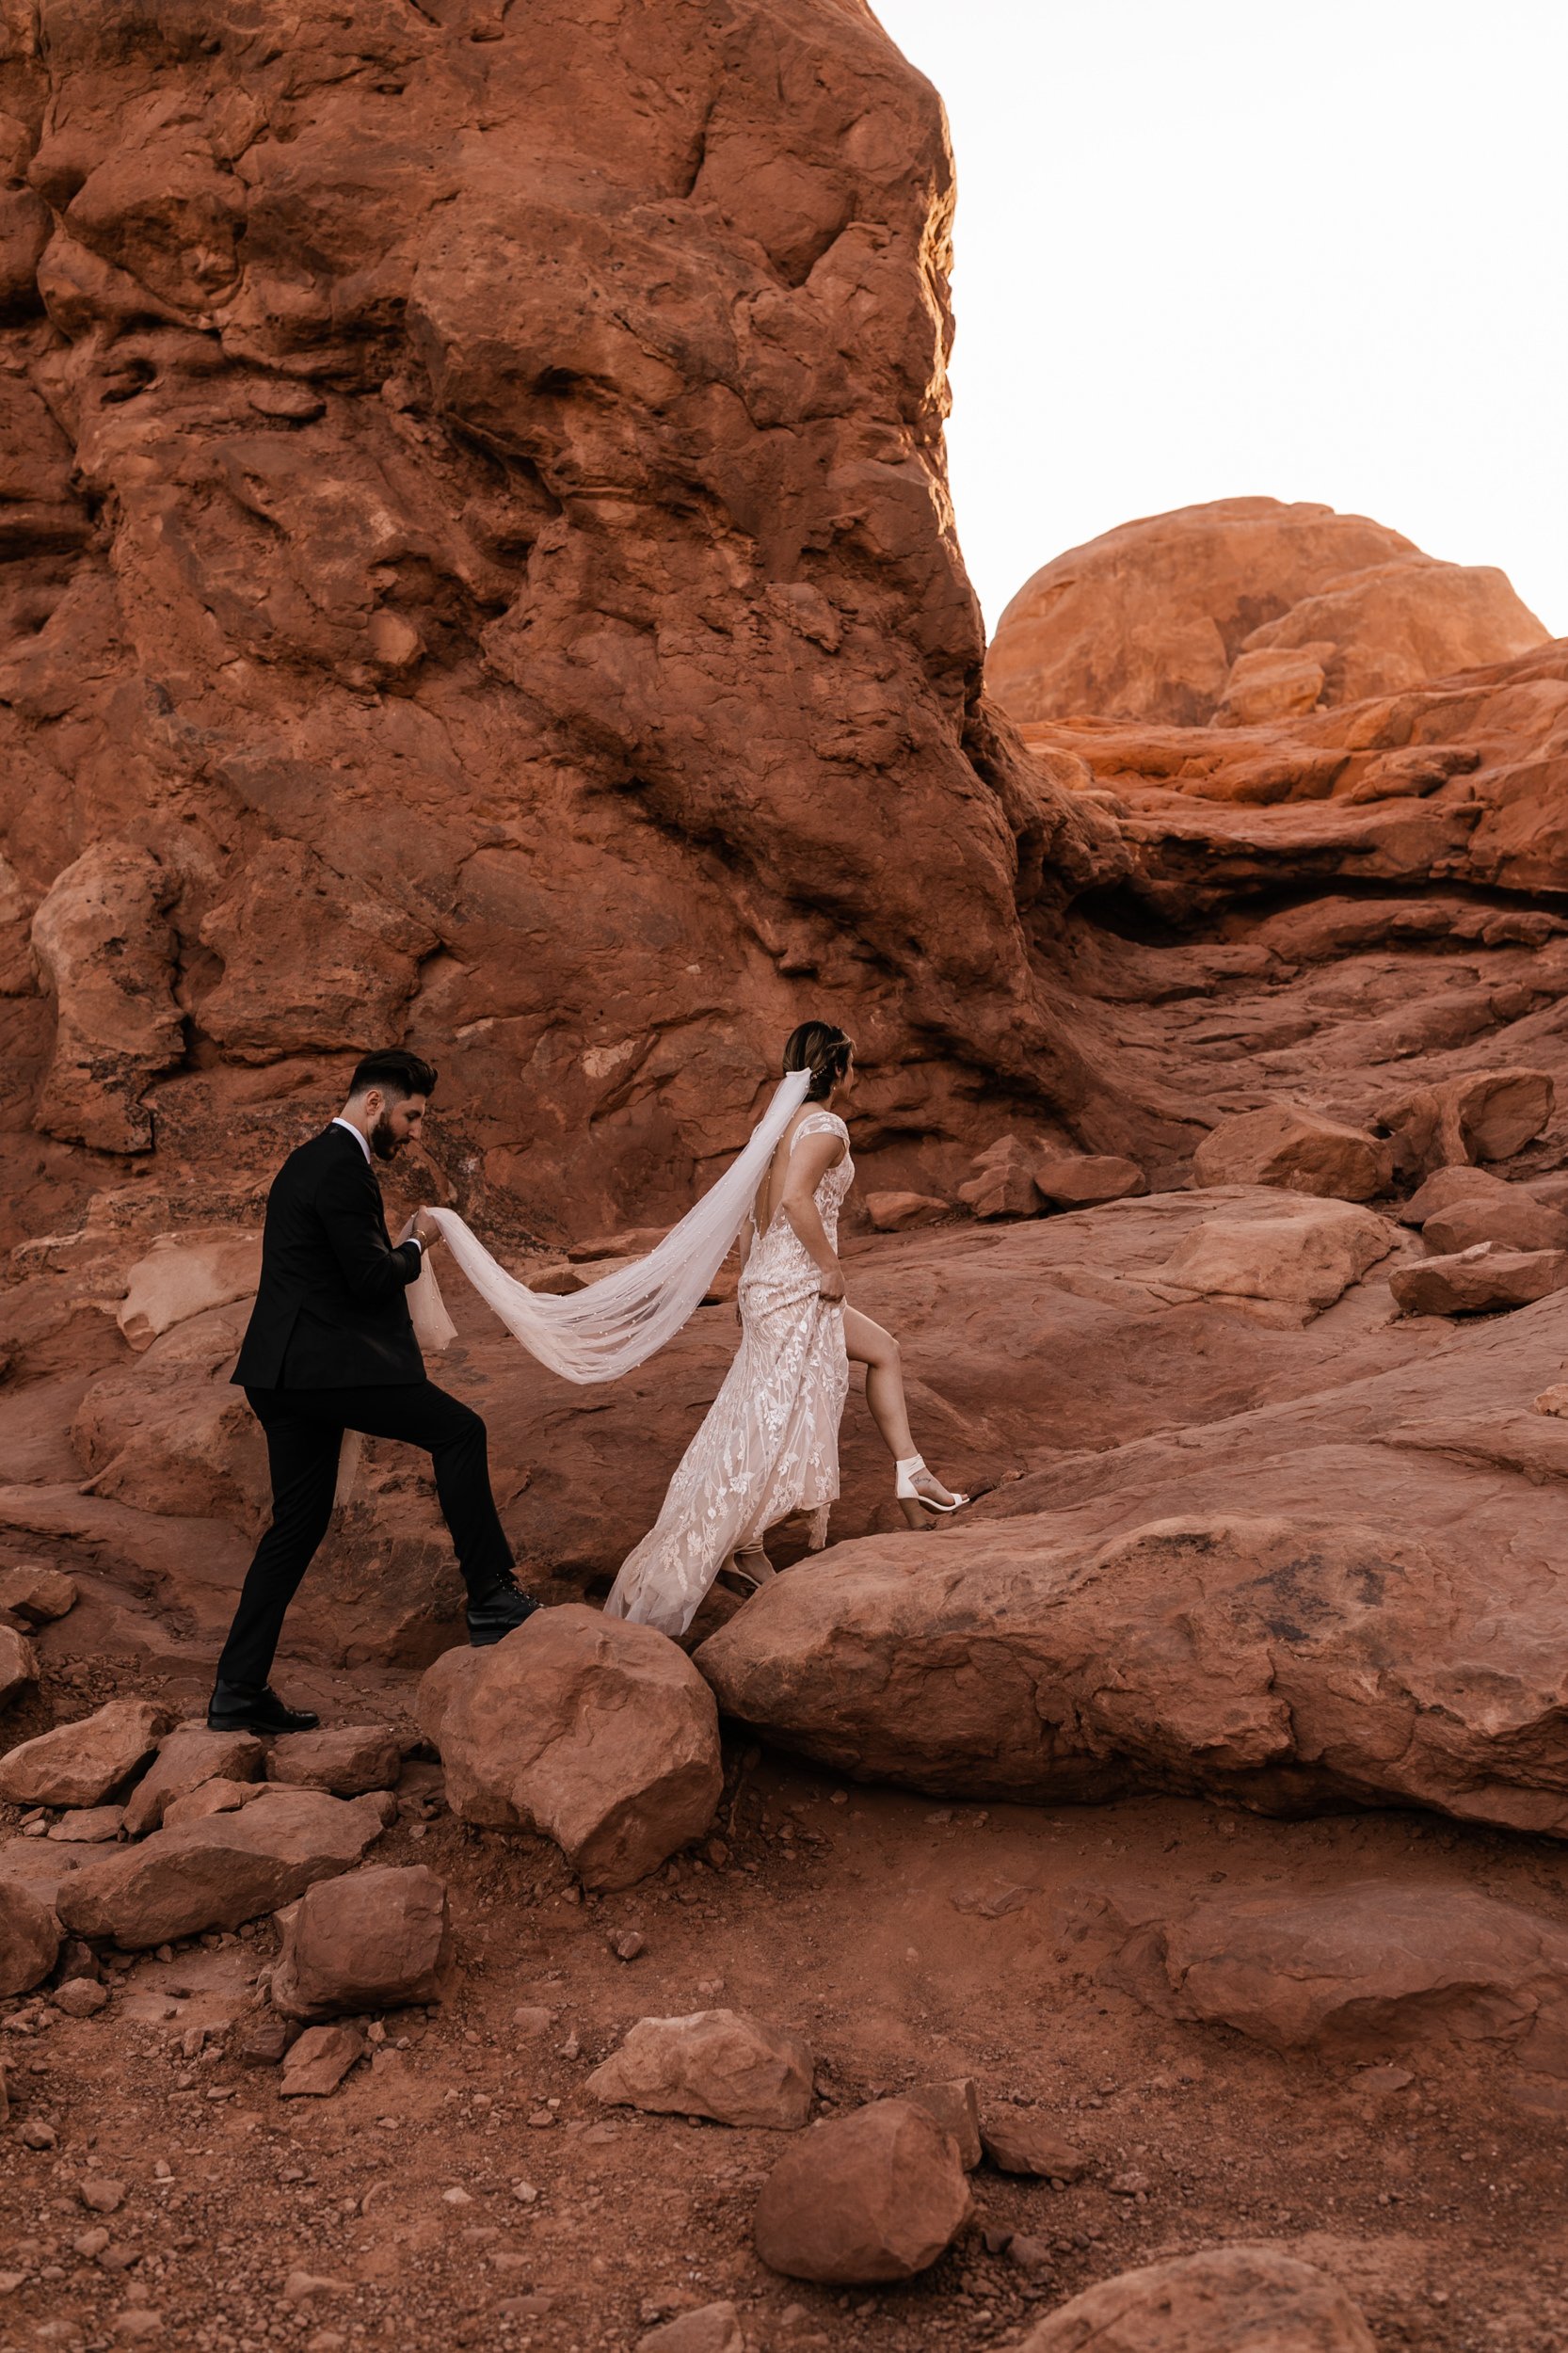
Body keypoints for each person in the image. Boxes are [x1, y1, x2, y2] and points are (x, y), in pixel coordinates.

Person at [207, 1048, 537, 1736]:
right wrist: (417, 1244)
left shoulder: (308, 1159)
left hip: (280, 1374)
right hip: (328, 1371)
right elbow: (367, 1279)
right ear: (375, 1103)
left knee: (294, 1530)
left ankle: (237, 1692)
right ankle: (491, 1598)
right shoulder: (343, 1167)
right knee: (459, 1430)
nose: (417, 1133)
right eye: (413, 1116)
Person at [603, 1019, 968, 1639]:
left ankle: (913, 1479)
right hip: (798, 1281)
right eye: (854, 1066)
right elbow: (797, 1201)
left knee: (876, 1354)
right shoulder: (826, 1128)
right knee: (769, 1419)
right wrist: (831, 1269)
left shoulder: (772, 1130)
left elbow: (753, 1215)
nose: (859, 1077)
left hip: (768, 1280)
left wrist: (747, 1286)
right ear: (835, 1071)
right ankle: (735, 1545)